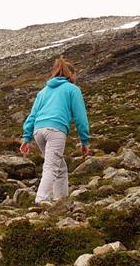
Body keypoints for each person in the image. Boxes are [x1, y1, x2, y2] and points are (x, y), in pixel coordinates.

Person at [20, 57, 91, 203]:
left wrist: (26, 138)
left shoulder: (43, 91)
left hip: (38, 131)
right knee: (51, 167)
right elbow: (80, 117)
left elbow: (32, 115)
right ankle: (40, 201)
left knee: (60, 167)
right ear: (71, 75)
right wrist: (85, 141)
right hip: (55, 130)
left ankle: (61, 201)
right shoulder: (73, 89)